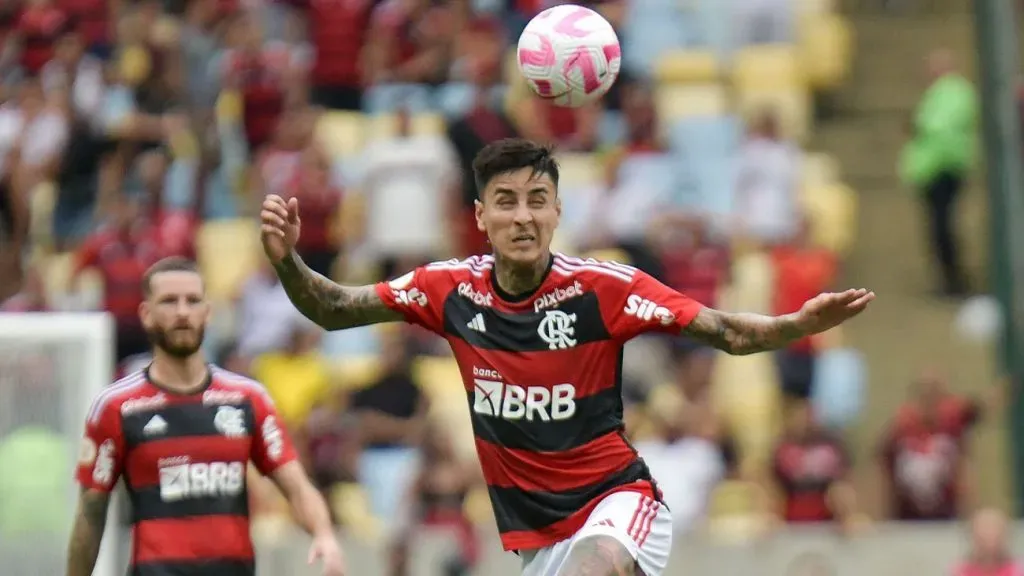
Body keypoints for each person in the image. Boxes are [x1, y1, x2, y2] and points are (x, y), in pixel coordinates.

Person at [260, 138, 875, 576]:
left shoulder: (605, 289)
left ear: (558, 211)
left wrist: (794, 325)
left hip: (616, 501)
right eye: (505, 201)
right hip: (537, 539)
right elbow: (334, 308)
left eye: (537, 200)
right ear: (480, 216)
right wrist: (289, 260)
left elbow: (727, 333)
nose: (522, 217)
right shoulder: (448, 289)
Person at [65, 257, 345, 576]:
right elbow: (91, 510)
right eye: (169, 301)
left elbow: (297, 486)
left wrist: (325, 535)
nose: (183, 312)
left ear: (208, 313)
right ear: (146, 314)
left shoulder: (247, 399)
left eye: (193, 301)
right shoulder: (116, 406)